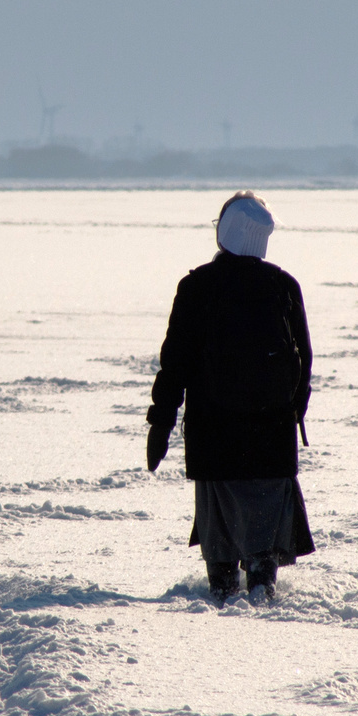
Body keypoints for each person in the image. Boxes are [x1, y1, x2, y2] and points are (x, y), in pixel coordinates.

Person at [145, 192, 313, 605]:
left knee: (219, 558)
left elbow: (175, 365)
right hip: (271, 445)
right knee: (263, 560)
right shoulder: (283, 286)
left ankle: (222, 598)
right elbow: (303, 363)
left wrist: (161, 424)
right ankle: (261, 593)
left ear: (226, 231)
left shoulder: (196, 287)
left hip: (213, 442)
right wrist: (294, 413)